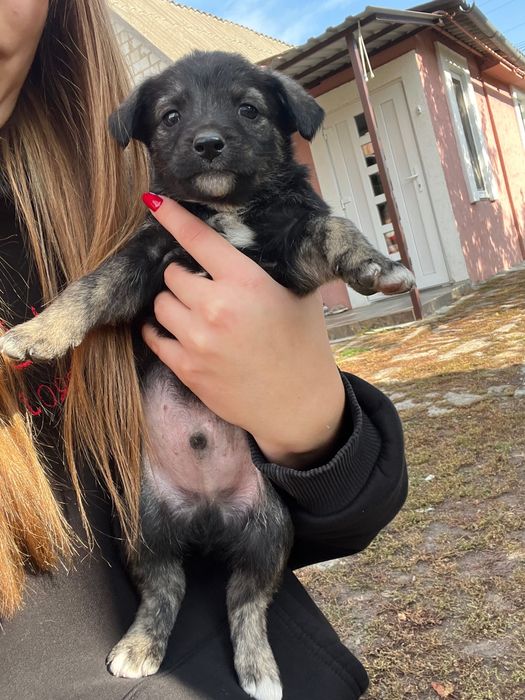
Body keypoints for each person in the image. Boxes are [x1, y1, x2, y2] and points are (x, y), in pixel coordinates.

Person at [0, 1, 408, 698]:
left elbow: (318, 239)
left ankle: (251, 636)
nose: (209, 133)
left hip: (251, 488)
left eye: (246, 111)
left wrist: (310, 415)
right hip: (150, 500)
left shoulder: (116, 202)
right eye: (173, 119)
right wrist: (54, 326)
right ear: (144, 137)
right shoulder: (150, 227)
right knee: (153, 557)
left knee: (261, 551)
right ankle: (153, 624)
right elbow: (119, 281)